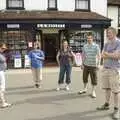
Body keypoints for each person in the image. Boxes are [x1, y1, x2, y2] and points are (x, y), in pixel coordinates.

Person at [97, 27, 120, 120]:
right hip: (105, 69)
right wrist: (110, 54)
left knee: (116, 90)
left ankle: (116, 110)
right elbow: (102, 55)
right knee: (107, 88)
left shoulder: (118, 42)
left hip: (114, 69)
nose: (107, 35)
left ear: (114, 33)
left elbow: (117, 56)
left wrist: (108, 54)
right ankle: (106, 104)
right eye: (107, 33)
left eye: (109, 33)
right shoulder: (106, 43)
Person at [78, 33, 101, 98]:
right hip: (86, 65)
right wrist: (82, 64)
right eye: (88, 38)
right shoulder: (85, 46)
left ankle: (93, 91)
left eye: (90, 38)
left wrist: (99, 64)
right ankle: (84, 89)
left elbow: (99, 55)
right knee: (84, 78)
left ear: (92, 38)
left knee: (94, 79)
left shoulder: (96, 46)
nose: (89, 39)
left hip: (93, 65)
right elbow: (83, 55)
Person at [0, 43, 11, 108]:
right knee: (2, 87)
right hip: (0, 72)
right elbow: (3, 60)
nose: (3, 50)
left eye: (4, 48)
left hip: (1, 71)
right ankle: (3, 102)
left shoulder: (2, 54)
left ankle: (2, 100)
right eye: (2, 48)